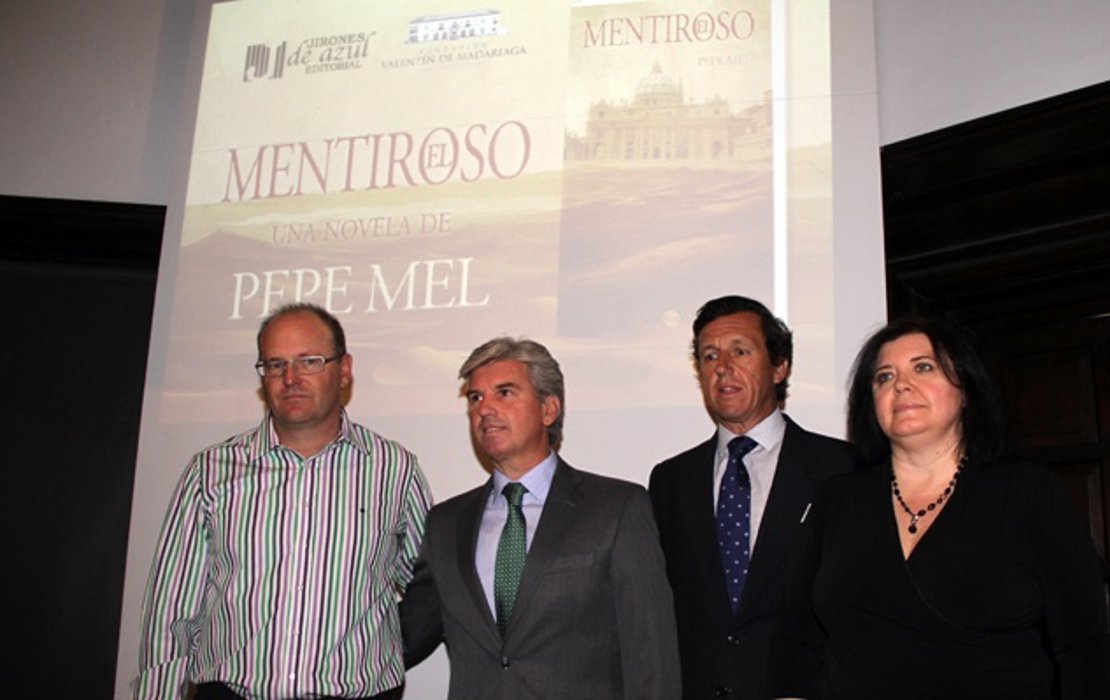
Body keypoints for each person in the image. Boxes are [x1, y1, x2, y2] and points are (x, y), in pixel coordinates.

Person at [770, 316, 1110, 699]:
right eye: (884, 377)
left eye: (923, 367)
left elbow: (1083, 645)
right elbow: (797, 640)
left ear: (965, 389)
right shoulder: (837, 501)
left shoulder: (1028, 492)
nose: (901, 384)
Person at [134, 303, 432, 699]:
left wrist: (384, 653)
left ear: (344, 370)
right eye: (275, 365)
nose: (290, 378)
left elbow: (432, 586)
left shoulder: (394, 469)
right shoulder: (209, 472)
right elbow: (171, 612)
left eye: (308, 361)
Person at [401, 337, 681, 698]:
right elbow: (406, 635)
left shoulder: (617, 508)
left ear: (549, 409)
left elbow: (650, 654)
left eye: (504, 393)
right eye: (476, 397)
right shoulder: (446, 524)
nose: (485, 408)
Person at [648, 295, 854, 698]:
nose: (722, 367)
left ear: (780, 367)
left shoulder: (841, 468)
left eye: (740, 351)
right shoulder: (671, 481)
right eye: (709, 356)